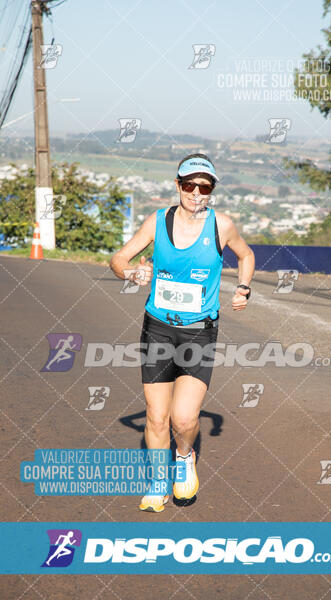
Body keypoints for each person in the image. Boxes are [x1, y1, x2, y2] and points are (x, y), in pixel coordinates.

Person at [110, 153, 255, 512]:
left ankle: (185, 457)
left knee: (184, 418)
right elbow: (118, 259)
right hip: (158, 329)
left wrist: (244, 288)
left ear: (212, 191)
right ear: (177, 186)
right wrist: (132, 274)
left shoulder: (222, 226)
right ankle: (159, 484)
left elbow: (246, 256)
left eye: (203, 186)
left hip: (198, 334)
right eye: (188, 184)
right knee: (156, 416)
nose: (195, 192)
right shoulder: (156, 222)